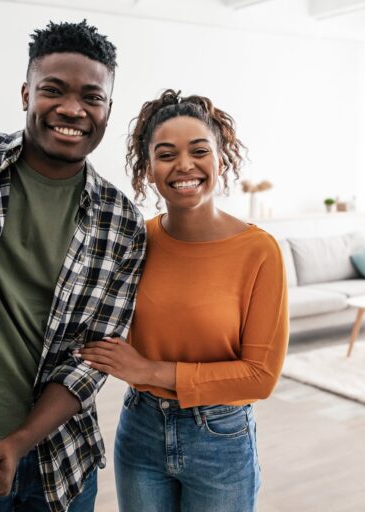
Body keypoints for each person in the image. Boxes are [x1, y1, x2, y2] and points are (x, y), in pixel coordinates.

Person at [0, 20, 146, 512]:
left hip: (60, 460)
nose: (72, 109)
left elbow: (93, 358)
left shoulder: (122, 223)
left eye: (91, 97)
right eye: (53, 90)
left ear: (108, 110)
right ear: (26, 93)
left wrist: (19, 441)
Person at [78, 90, 289, 512]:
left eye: (199, 150)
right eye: (166, 154)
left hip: (221, 438)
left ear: (221, 158)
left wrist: (147, 369)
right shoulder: (135, 241)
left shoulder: (259, 251)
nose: (184, 166)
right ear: (148, 168)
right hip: (140, 428)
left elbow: (259, 377)